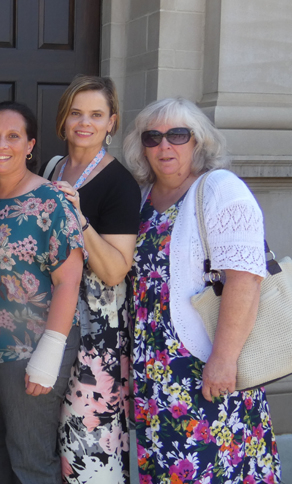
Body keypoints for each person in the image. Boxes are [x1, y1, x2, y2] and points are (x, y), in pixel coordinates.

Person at [122, 97, 282, 483]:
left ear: (199, 142)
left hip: (202, 361)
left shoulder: (219, 189)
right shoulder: (142, 197)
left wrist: (224, 360)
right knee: (164, 466)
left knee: (209, 467)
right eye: (153, 137)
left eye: (178, 135)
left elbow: (245, 279)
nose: (165, 146)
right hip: (154, 367)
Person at [0, 101, 85, 483]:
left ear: (30, 145)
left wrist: (50, 352)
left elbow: (69, 280)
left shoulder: (50, 201)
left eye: (13, 136)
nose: (2, 144)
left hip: (29, 351)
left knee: (31, 459)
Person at [47, 76, 140, 483]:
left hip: (96, 336)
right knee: (53, 437)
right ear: (64, 120)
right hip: (53, 317)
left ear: (111, 123)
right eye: (76, 113)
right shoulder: (53, 166)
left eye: (96, 115)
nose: (85, 122)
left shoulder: (121, 182)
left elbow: (117, 269)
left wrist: (79, 218)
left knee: (89, 443)